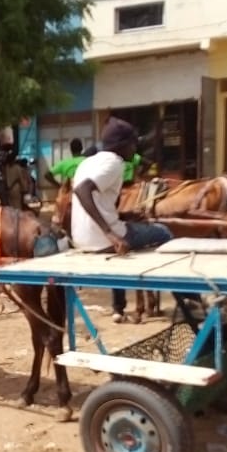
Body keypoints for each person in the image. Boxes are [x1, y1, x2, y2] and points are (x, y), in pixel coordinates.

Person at [71, 117, 173, 323]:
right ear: (122, 145)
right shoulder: (114, 163)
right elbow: (82, 190)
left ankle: (119, 307)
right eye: (133, 144)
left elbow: (97, 201)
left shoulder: (87, 162)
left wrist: (125, 216)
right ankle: (188, 297)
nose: (135, 149)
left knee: (128, 239)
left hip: (81, 239)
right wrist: (110, 234)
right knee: (164, 232)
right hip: (102, 239)